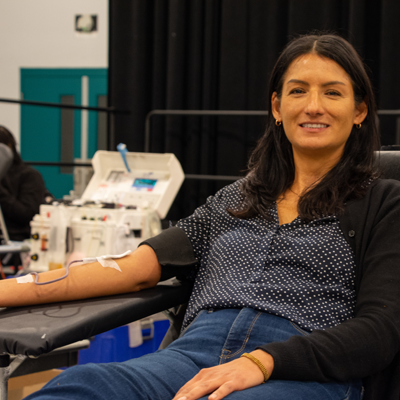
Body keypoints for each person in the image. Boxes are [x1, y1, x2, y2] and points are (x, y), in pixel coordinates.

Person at [0, 33, 399, 400]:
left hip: (302, 370)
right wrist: (9, 290)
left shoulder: (384, 202)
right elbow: (131, 268)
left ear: (359, 110)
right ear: (278, 106)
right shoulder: (234, 199)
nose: (313, 106)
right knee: (77, 386)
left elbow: (381, 329)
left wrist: (262, 361)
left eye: (332, 93)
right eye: (298, 91)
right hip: (191, 355)